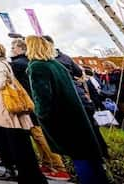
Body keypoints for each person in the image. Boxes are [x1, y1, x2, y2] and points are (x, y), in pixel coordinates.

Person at [25, 36, 110, 184]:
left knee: (79, 156)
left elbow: (42, 97)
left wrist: (40, 115)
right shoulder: (56, 64)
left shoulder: (36, 67)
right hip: (76, 115)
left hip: (62, 118)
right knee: (89, 155)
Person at [0, 41, 47, 184]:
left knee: (18, 142)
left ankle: (30, 176)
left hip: (8, 108)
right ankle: (29, 175)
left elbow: (0, 84)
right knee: (17, 142)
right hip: (4, 106)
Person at [12, 39, 70, 181]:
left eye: (13, 47)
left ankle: (60, 167)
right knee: (36, 134)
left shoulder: (19, 64)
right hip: (33, 102)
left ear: (21, 49)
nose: (11, 49)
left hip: (31, 103)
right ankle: (46, 163)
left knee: (39, 135)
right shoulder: (32, 62)